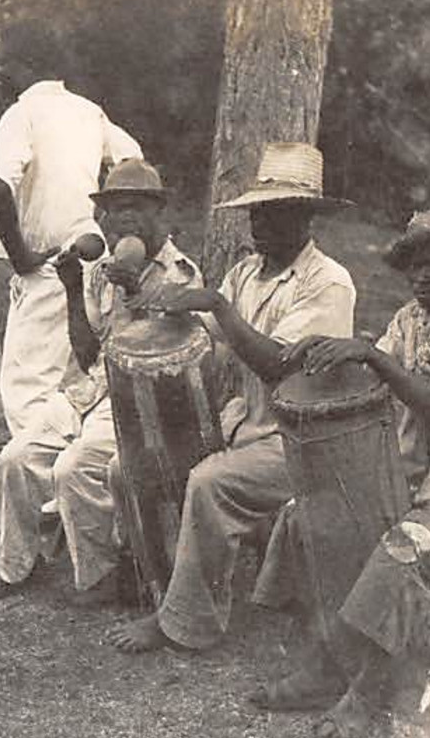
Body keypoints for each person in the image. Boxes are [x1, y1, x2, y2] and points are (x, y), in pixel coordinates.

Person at [255, 208, 430, 738]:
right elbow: (370, 371)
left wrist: (369, 356)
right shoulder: (411, 320)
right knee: (308, 515)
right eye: (414, 269)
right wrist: (330, 351)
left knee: (402, 545)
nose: (422, 278)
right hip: (413, 487)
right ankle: (328, 663)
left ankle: (366, 691)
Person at [107, 142, 356, 654]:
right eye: (256, 213)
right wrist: (160, 310)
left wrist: (215, 306)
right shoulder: (247, 272)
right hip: (245, 427)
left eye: (277, 213)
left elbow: (279, 365)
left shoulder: (329, 282)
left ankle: (186, 621)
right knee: (128, 463)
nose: (259, 226)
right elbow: (213, 344)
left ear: (307, 218)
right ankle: (152, 582)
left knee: (207, 481)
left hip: (301, 441)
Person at [0, 159, 202, 604]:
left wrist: (134, 292)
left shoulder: (181, 272)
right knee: (15, 458)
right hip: (89, 390)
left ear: (157, 213)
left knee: (74, 468)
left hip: (138, 395)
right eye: (115, 209)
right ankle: (15, 566)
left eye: (136, 208)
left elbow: (165, 350)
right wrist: (71, 286)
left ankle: (101, 574)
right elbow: (86, 353)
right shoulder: (103, 268)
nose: (124, 218)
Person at [0, 20, 143, 439]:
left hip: (49, 264)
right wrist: (96, 221)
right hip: (88, 260)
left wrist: (20, 257)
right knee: (72, 380)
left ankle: (43, 488)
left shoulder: (22, 114)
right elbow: (133, 162)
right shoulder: (88, 111)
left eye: (2, 61)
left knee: (27, 386)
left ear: (29, 64)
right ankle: (59, 487)